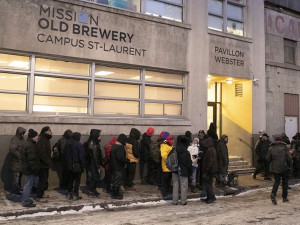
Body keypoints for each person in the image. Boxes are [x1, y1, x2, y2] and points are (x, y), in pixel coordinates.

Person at [267, 135, 292, 205]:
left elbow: (268, 159)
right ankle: (284, 198)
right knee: (285, 183)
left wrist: (271, 166)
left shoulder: (271, 148)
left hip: (275, 168)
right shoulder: (285, 147)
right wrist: (289, 165)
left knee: (276, 182)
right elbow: (289, 158)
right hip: (284, 167)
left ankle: (273, 194)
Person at [21, 129, 39, 207]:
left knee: (28, 185)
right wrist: (35, 170)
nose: (38, 137)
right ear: (33, 137)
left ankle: (27, 199)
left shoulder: (28, 143)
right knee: (28, 185)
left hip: (27, 168)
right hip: (30, 169)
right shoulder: (30, 146)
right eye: (36, 136)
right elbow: (32, 160)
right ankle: (25, 202)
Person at [64, 132, 85, 201]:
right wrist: (82, 165)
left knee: (70, 180)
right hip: (77, 165)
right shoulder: (79, 145)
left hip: (68, 165)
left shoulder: (67, 144)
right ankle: (75, 194)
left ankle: (69, 193)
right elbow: (81, 157)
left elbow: (64, 154)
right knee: (77, 180)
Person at [172, 136, 192, 205]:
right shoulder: (186, 152)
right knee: (183, 186)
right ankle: (183, 201)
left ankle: (175, 201)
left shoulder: (174, 150)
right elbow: (189, 163)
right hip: (183, 170)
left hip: (175, 169)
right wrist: (190, 172)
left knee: (175, 185)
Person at [84, 129, 103, 197]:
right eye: (99, 135)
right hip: (93, 164)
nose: (100, 137)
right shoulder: (93, 144)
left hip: (91, 164)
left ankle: (93, 190)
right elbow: (95, 156)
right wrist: (98, 166)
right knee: (93, 178)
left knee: (93, 178)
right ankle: (91, 191)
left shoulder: (92, 143)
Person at [110, 134, 130, 199]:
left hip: (114, 165)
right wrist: (127, 160)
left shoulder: (114, 146)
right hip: (118, 166)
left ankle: (115, 193)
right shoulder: (120, 147)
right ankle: (115, 194)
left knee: (115, 179)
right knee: (117, 180)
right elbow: (120, 157)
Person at [9, 127, 26, 195]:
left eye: (23, 133)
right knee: (16, 177)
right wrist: (19, 155)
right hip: (16, 162)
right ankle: (15, 189)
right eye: (22, 133)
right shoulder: (14, 139)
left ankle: (18, 188)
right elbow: (12, 149)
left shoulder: (22, 139)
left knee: (19, 176)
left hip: (22, 163)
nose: (23, 134)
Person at [36, 126, 52, 199]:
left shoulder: (46, 139)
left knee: (44, 180)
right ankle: (39, 195)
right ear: (45, 131)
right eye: (49, 130)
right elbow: (41, 153)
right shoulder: (42, 139)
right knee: (42, 180)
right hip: (42, 164)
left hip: (45, 164)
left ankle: (41, 193)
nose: (50, 132)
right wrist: (47, 161)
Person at [202, 135, 217, 204]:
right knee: (208, 184)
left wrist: (205, 170)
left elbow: (210, 162)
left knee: (207, 184)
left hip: (209, 171)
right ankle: (209, 197)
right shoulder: (212, 149)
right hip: (211, 170)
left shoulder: (210, 150)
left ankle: (212, 197)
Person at [160, 134, 173, 199]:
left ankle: (168, 191)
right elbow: (163, 155)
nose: (172, 141)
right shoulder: (164, 146)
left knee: (168, 181)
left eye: (172, 139)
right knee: (165, 181)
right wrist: (170, 160)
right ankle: (164, 193)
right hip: (166, 167)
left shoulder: (170, 146)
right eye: (170, 139)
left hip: (170, 167)